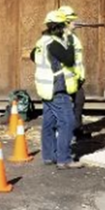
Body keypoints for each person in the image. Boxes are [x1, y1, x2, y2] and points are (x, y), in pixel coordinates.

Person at [33, 10, 81, 169]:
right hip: (57, 88)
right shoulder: (54, 43)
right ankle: (64, 159)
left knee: (49, 121)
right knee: (67, 121)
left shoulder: (42, 41)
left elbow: (34, 56)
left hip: (45, 87)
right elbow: (69, 59)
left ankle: (49, 156)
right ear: (60, 26)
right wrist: (70, 40)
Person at [59, 5, 89, 138]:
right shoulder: (60, 38)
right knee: (64, 106)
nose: (74, 22)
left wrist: (80, 75)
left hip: (75, 78)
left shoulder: (72, 37)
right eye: (71, 20)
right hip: (65, 79)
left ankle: (77, 129)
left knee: (79, 101)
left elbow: (77, 59)